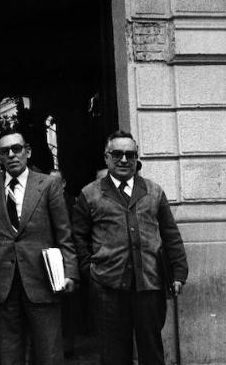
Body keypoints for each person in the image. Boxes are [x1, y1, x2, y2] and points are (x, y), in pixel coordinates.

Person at [70, 130, 188, 365]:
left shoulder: (154, 191)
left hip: (149, 284)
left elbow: (170, 234)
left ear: (137, 158)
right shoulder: (90, 194)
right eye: (117, 154)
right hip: (108, 286)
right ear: (106, 157)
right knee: (114, 354)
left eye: (130, 154)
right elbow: (78, 238)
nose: (124, 159)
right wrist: (90, 272)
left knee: (151, 350)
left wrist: (178, 273)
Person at [0, 128, 77, 365]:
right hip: (4, 283)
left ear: (28, 152)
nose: (12, 155)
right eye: (5, 151)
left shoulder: (48, 184)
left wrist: (71, 273)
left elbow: (64, 233)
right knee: (8, 355)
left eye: (17, 149)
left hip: (42, 280)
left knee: (48, 353)